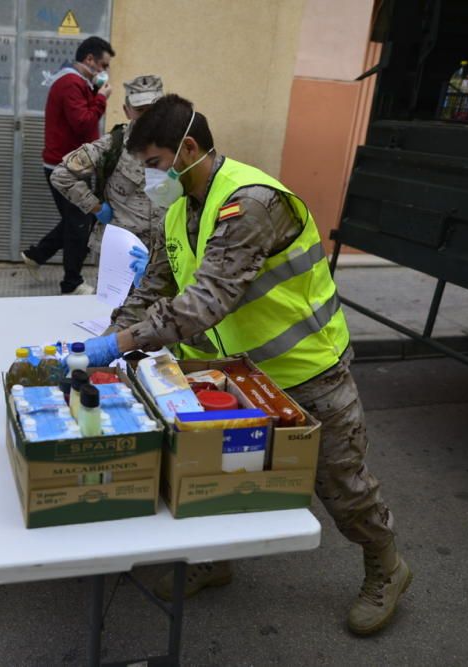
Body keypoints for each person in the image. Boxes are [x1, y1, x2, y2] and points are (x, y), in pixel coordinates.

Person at [79, 95, 410, 636]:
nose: (151, 179)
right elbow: (155, 286)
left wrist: (123, 342)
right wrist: (107, 338)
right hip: (230, 377)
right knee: (219, 474)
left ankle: (387, 567)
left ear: (188, 148)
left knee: (340, 484)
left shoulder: (250, 203)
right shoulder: (182, 207)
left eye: (156, 164)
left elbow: (207, 299)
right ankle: (215, 560)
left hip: (305, 371)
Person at [21, 36, 115, 295]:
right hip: (67, 169)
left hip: (72, 165)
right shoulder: (71, 83)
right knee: (79, 224)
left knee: (76, 219)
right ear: (89, 60)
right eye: (104, 66)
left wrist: (94, 94)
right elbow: (83, 122)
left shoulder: (78, 83)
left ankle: (36, 255)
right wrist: (102, 98)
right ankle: (71, 283)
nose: (105, 72)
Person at [50, 75, 165, 284]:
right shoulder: (112, 145)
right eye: (140, 111)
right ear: (126, 110)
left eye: (154, 110)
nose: (149, 118)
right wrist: (95, 207)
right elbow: (60, 175)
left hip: (165, 253)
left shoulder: (180, 148)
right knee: (116, 311)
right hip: (123, 252)